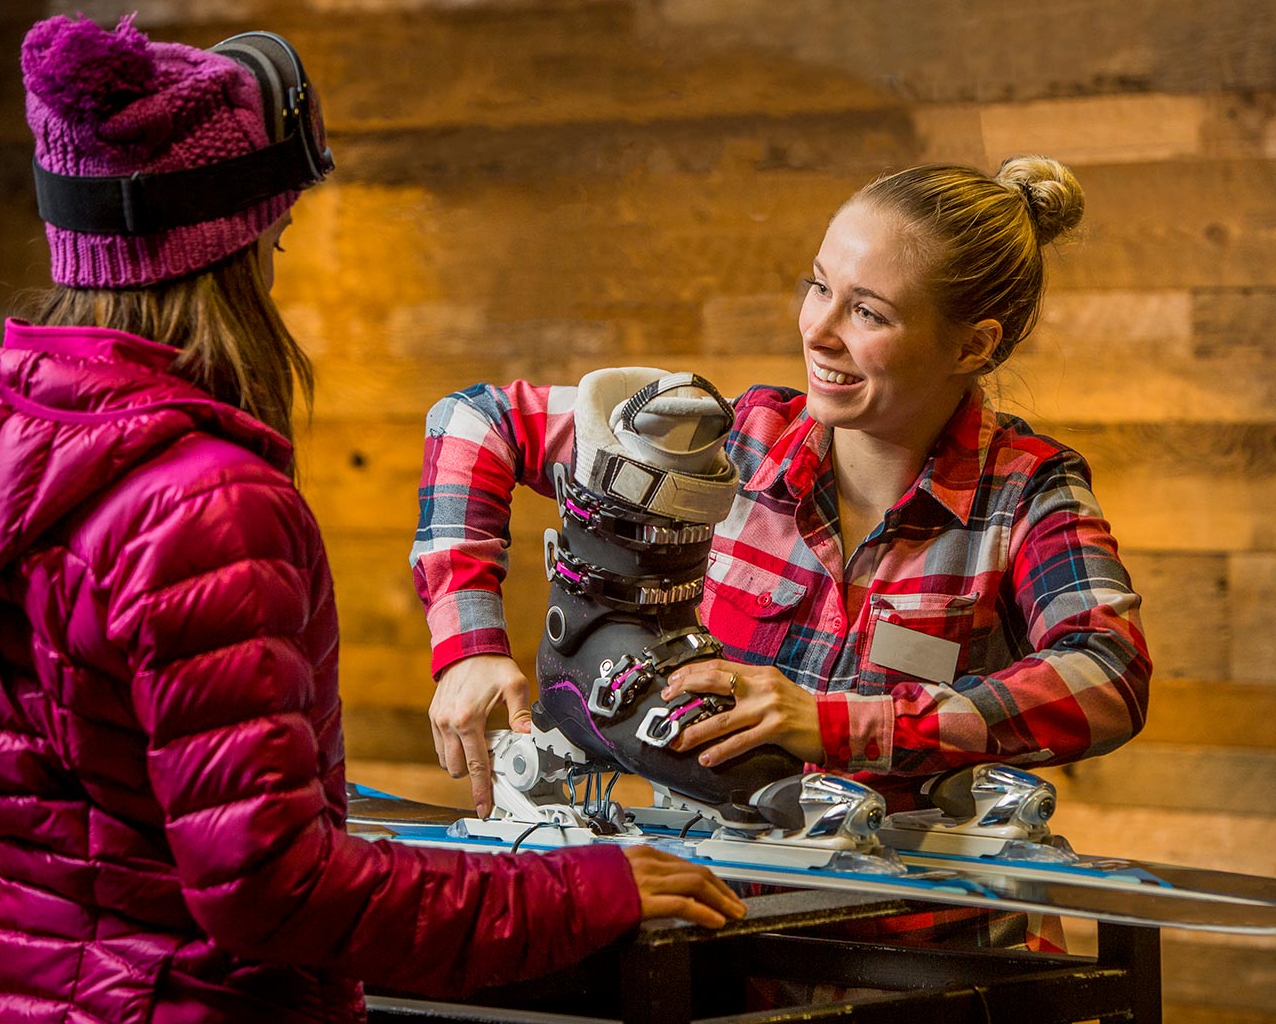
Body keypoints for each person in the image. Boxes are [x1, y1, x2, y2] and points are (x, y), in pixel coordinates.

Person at [0, 14, 744, 1024]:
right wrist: (581, 889)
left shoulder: (3, 432)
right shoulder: (201, 503)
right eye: (278, 235)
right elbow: (272, 887)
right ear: (241, 246)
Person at [412, 155, 1153, 946]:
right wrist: (467, 646)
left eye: (868, 312)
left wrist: (839, 723)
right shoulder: (732, 443)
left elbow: (1108, 675)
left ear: (973, 345)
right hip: (733, 933)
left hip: (936, 953)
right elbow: (474, 421)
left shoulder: (1029, 492)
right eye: (819, 285)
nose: (817, 329)